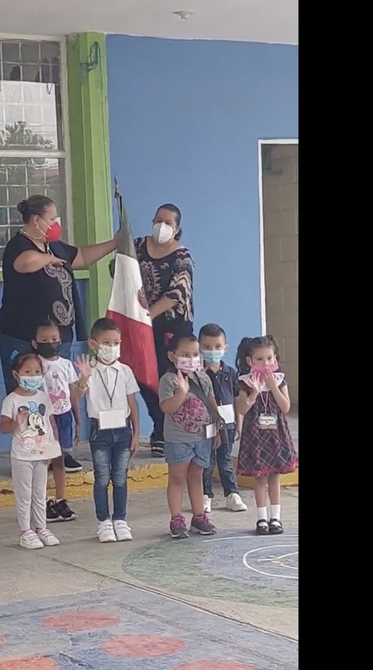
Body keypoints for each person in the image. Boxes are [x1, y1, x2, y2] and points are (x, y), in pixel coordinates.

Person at [0, 195, 119, 471]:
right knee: (31, 394)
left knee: (58, 393)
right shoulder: (19, 246)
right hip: (23, 335)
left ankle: (60, 450)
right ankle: (33, 450)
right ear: (36, 220)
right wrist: (47, 258)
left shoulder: (54, 246)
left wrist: (114, 243)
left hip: (58, 336)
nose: (55, 223)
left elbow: (81, 256)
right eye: (51, 218)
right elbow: (24, 263)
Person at [134, 204, 195, 457]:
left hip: (173, 326)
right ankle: (158, 424)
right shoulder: (138, 246)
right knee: (143, 375)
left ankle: (171, 432)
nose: (162, 225)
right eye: (158, 220)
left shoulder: (182, 256)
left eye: (168, 222)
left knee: (169, 376)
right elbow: (120, 270)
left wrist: (150, 314)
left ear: (177, 228)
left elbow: (177, 292)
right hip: (140, 323)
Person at [75, 318, 141, 543]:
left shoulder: (125, 371)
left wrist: (136, 433)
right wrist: (83, 379)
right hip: (100, 431)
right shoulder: (90, 370)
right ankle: (103, 522)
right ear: (93, 344)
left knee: (120, 477)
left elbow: (132, 403)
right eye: (106, 342)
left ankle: (120, 519)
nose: (112, 347)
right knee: (102, 477)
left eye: (116, 342)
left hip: (123, 430)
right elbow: (75, 397)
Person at [158, 333, 225, 538]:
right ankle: (176, 518)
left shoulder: (204, 378)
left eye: (195, 354)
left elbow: (212, 404)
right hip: (179, 439)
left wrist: (217, 429)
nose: (191, 358)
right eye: (185, 354)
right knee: (177, 478)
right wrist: (181, 392)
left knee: (196, 476)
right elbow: (167, 408)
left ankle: (199, 517)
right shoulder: (169, 380)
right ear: (172, 356)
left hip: (202, 437)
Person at [234, 336, 298, 535]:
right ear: (249, 361)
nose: (266, 363)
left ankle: (275, 518)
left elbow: (285, 407)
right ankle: (261, 518)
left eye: (269, 358)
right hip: (256, 436)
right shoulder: (244, 382)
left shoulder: (279, 380)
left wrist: (272, 386)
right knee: (259, 478)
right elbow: (242, 409)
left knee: (274, 477)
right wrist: (253, 392)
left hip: (275, 434)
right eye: (260, 359)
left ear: (275, 359)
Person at [0, 352, 64, 550]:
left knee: (40, 492)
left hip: (41, 454)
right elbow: (3, 427)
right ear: (17, 375)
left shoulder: (43, 397)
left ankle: (41, 527)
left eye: (37, 371)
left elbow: (49, 424)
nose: (33, 375)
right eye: (28, 371)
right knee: (24, 493)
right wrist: (16, 422)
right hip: (22, 455)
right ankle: (25, 531)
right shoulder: (11, 400)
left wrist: (52, 450)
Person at [32, 321, 81, 523]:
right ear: (35, 343)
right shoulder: (35, 365)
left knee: (60, 460)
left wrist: (78, 421)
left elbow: (73, 394)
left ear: (61, 341)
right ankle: (41, 503)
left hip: (64, 417)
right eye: (44, 340)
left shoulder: (66, 365)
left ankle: (61, 499)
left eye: (54, 339)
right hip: (43, 419)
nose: (49, 343)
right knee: (45, 461)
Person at [199, 323, 248, 513]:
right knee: (206, 461)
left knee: (225, 460)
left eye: (217, 347)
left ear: (225, 348)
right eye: (207, 347)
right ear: (199, 347)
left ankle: (231, 494)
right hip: (205, 426)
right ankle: (205, 495)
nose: (213, 351)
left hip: (227, 424)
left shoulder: (230, 373)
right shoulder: (198, 374)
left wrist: (239, 423)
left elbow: (237, 400)